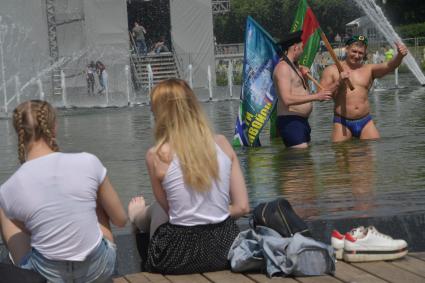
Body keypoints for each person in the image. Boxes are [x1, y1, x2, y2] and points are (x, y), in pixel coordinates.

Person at [127, 79, 249, 274]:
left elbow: (171, 212)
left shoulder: (156, 155)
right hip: (226, 248)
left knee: (156, 209)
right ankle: (140, 217)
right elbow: (243, 207)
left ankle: (137, 219)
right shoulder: (223, 144)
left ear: (161, 114)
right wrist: (211, 214)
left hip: (179, 255)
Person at [0, 100, 127, 282]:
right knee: (94, 199)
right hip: (98, 269)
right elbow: (121, 220)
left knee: (4, 210)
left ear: (18, 132)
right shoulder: (88, 162)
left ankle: (26, 274)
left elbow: (27, 230)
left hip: (45, 275)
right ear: (54, 127)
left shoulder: (9, 187)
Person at [320, 35, 408, 142]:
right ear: (347, 49)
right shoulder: (331, 70)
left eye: (360, 53)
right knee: (340, 153)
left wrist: (399, 56)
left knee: (372, 152)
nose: (357, 55)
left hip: (365, 121)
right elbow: (320, 95)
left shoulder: (369, 69)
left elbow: (390, 66)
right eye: (354, 51)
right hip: (342, 122)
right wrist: (338, 82)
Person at [273, 30, 333, 149]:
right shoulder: (283, 68)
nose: (303, 50)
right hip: (290, 121)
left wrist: (305, 77)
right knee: (300, 162)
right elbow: (287, 99)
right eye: (301, 47)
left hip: (301, 121)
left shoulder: (295, 66)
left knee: (306, 162)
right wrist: (317, 96)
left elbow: (302, 90)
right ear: (295, 47)